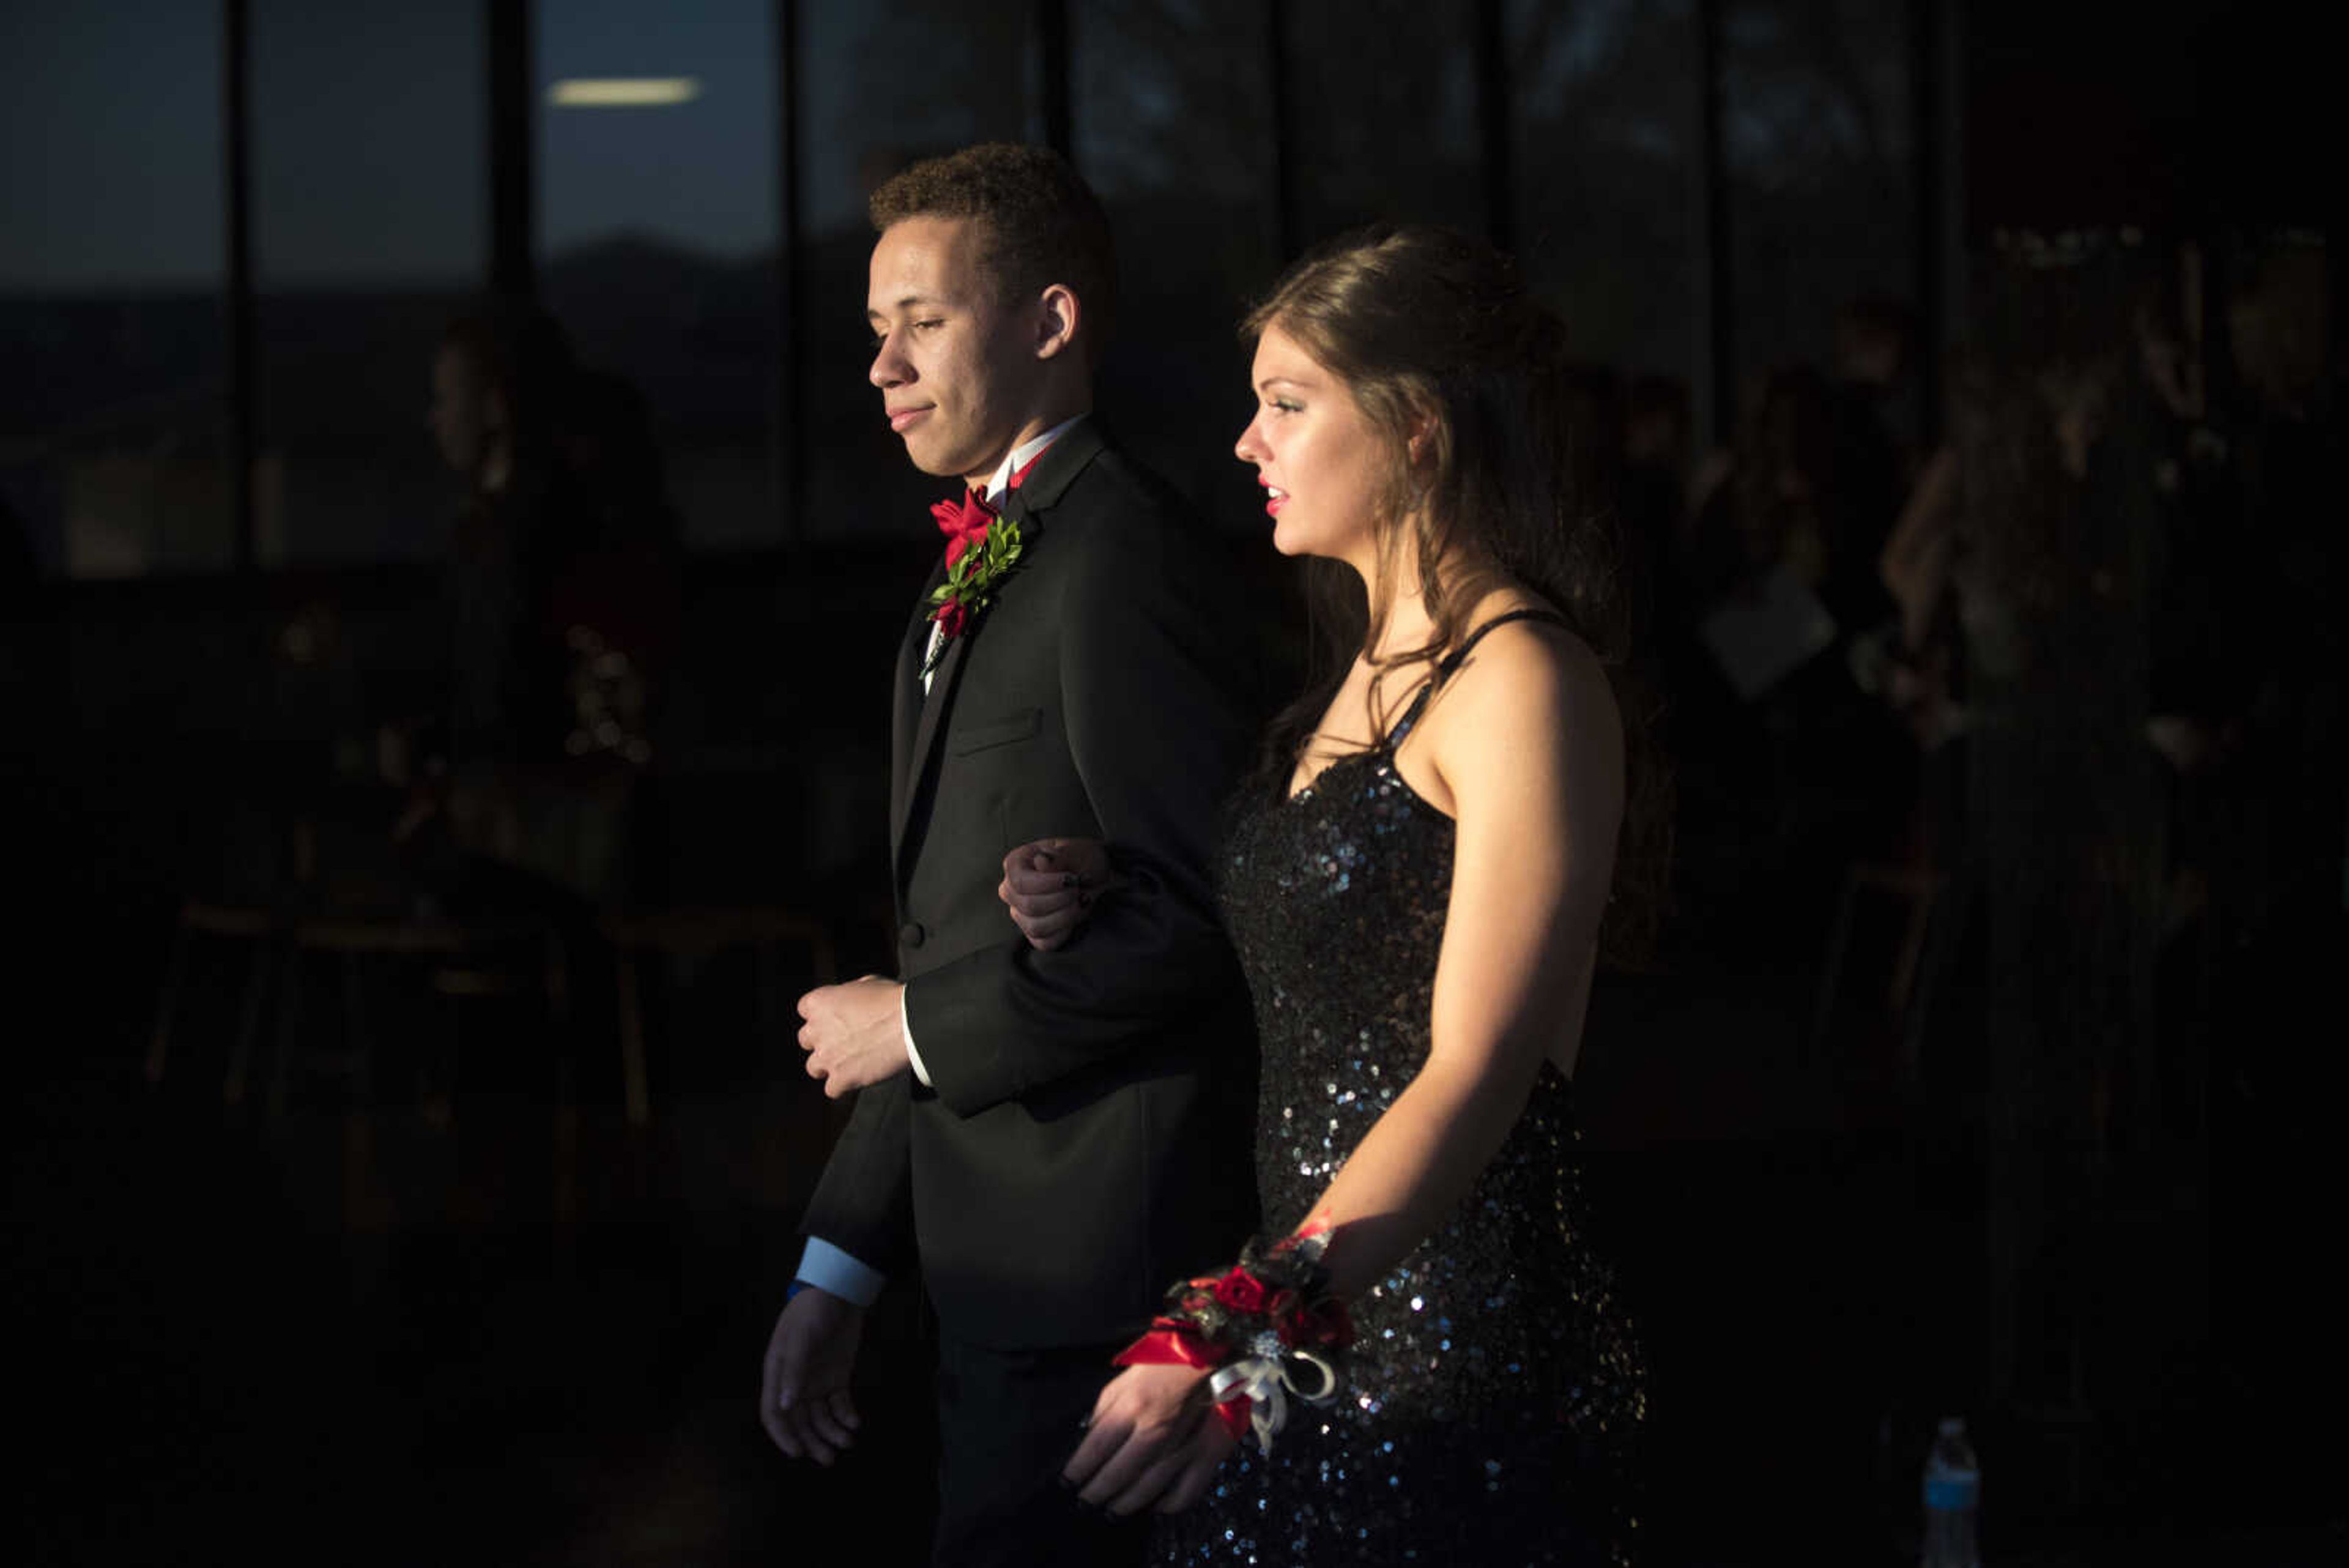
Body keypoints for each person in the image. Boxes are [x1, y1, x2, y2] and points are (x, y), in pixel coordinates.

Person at [1009, 224, 1650, 1564]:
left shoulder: (1521, 678)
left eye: (1287, 406)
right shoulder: (1355, 674)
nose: (1248, 443)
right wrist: (1100, 883)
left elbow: (1479, 1066)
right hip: (1318, 1319)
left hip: (1450, 1339)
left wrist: (1234, 1318)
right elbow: (1335, 943)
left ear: (1419, 428)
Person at [756, 143, 1261, 1567]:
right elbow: (951, 934)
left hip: (1106, 1299)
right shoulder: (985, 554)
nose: (883, 366)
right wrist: (841, 1263)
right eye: (875, 331)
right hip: (991, 1277)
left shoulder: (1121, 555)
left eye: (921, 321)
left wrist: (907, 1025)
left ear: (1049, 323)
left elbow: (1197, 918)